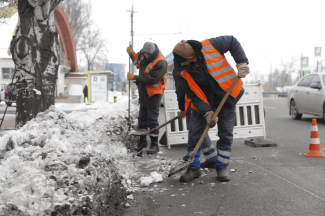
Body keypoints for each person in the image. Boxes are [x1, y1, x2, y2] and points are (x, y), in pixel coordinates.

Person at [172, 36, 250, 182]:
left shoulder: (209, 45)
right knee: (194, 134)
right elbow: (191, 93)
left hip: (226, 95)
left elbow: (232, 41)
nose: (194, 61)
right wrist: (206, 111)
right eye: (190, 60)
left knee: (225, 133)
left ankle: (222, 166)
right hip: (202, 101)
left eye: (195, 57)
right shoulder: (180, 71)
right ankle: (193, 168)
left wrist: (242, 63)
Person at [126, 42, 168, 155]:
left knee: (152, 119)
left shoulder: (161, 62)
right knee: (142, 118)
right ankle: (142, 142)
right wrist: (131, 53)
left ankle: (155, 145)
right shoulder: (145, 55)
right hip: (144, 92)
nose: (146, 57)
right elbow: (137, 61)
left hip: (154, 94)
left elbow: (151, 79)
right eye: (145, 54)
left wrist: (135, 77)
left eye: (148, 55)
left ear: (153, 52)